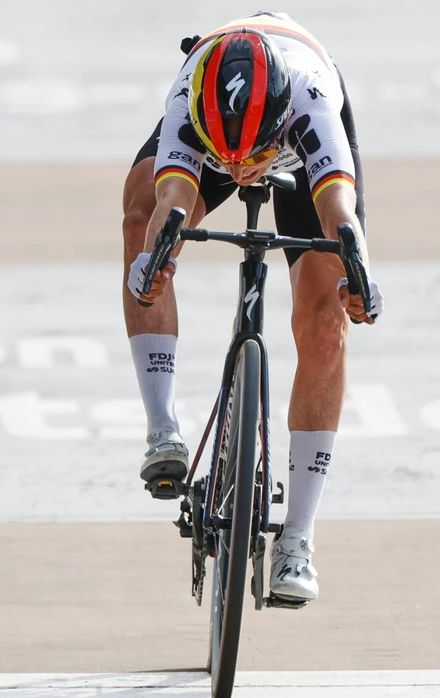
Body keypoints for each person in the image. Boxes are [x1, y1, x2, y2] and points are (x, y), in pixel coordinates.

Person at [121, 12, 383, 603]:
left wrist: (361, 275)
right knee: (141, 224)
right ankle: (162, 428)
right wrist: (157, 258)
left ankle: (299, 536)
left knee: (325, 322)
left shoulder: (311, 102)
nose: (240, 173)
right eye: (227, 160)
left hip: (297, 153)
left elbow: (340, 210)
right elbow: (172, 196)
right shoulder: (191, 100)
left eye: (251, 157)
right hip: (213, 128)